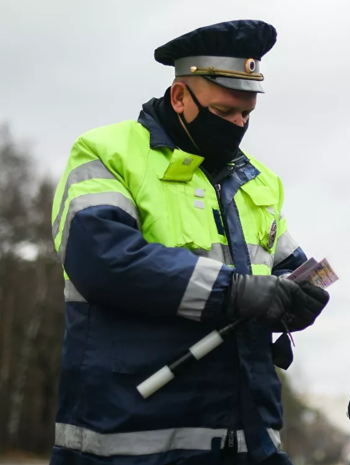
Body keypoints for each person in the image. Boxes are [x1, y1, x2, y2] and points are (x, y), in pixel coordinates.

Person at [49, 20, 328, 465]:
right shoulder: (106, 152)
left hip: (251, 440)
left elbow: (285, 271)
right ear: (180, 96)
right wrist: (234, 292)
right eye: (224, 113)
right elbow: (101, 260)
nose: (237, 125)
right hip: (131, 441)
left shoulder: (259, 181)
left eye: (247, 115)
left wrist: (298, 301)